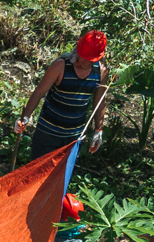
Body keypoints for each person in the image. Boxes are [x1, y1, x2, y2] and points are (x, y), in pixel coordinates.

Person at [16, 31, 112, 163]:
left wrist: (98, 129)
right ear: (78, 51)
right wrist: (25, 117)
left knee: (60, 178)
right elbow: (39, 92)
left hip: (73, 136)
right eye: (84, 58)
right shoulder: (61, 66)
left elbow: (99, 101)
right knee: (38, 173)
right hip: (48, 132)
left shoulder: (101, 71)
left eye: (91, 60)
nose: (87, 63)